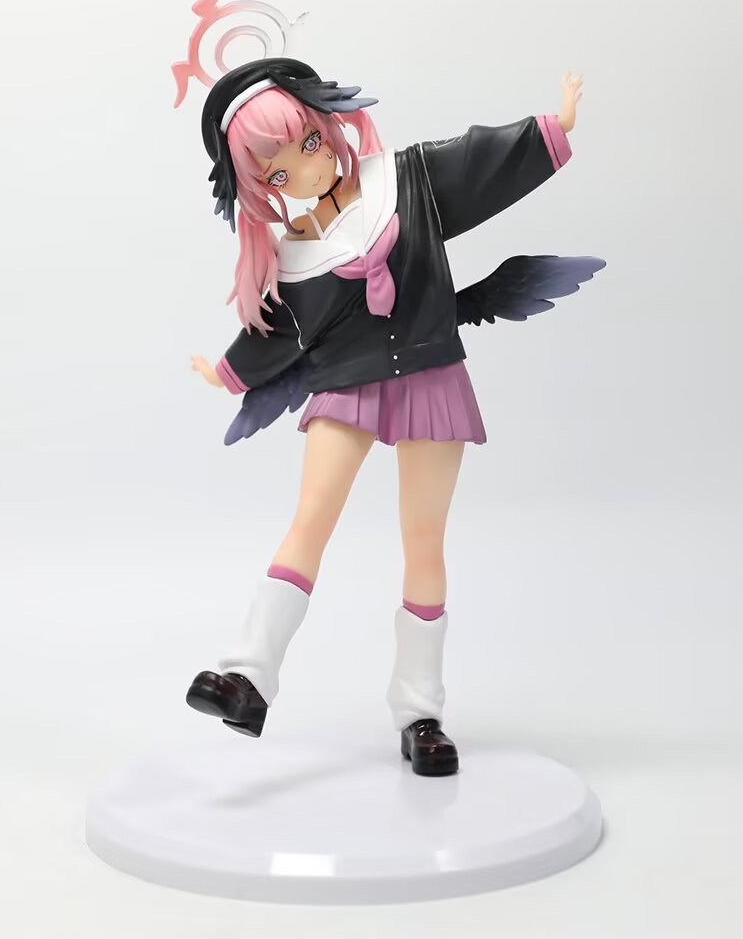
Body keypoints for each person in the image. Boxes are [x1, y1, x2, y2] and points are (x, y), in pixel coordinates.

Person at [184, 56, 599, 776]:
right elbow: (277, 335)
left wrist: (549, 129)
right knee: (310, 519)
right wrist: (227, 371)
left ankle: (420, 712)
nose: (305, 169)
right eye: (277, 172)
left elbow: (477, 164)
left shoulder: (406, 180)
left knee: (423, 541)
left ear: (327, 126)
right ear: (262, 187)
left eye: (308, 143)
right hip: (347, 382)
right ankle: (247, 678)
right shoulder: (294, 255)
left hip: (430, 374)